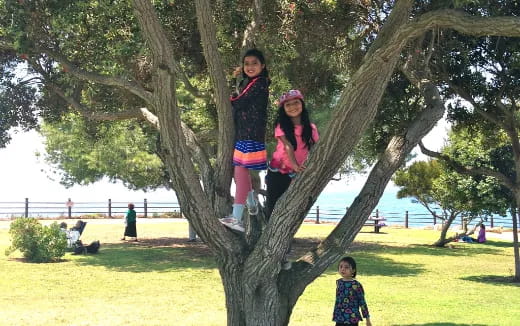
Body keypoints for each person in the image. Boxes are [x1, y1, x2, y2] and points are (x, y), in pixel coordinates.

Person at [219, 48, 270, 232]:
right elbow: (239, 97)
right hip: (245, 133)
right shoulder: (250, 82)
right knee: (240, 173)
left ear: (262, 66)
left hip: (249, 134)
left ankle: (236, 217)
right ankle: (252, 204)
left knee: (240, 173)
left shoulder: (260, 83)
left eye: (254, 63)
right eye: (246, 64)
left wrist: (230, 99)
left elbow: (240, 101)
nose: (250, 67)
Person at [265, 89, 319, 219]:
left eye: (296, 103)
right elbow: (287, 145)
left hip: (299, 172)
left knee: (294, 206)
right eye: (287, 105)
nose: (292, 107)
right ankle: (269, 231)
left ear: (302, 104)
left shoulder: (311, 128)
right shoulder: (281, 126)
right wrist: (294, 164)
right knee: (273, 204)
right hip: (278, 170)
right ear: (283, 109)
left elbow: (316, 148)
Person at [333, 257, 372, 326]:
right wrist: (336, 314)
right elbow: (338, 301)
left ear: (353, 270)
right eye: (341, 266)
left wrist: (367, 319)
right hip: (339, 318)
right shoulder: (339, 283)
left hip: (352, 319)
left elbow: (362, 302)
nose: (343, 269)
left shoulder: (356, 285)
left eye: (346, 267)